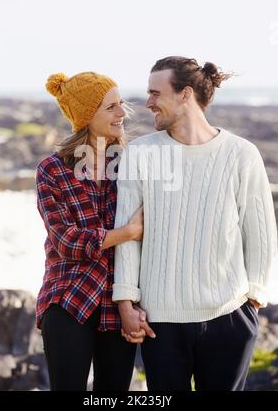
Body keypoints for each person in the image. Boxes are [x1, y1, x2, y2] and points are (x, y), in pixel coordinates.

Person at [112, 56, 278, 391]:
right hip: (160, 322)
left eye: (156, 93)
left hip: (228, 317)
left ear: (185, 94)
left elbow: (259, 231)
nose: (148, 103)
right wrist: (125, 300)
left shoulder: (241, 154)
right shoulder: (140, 154)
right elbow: (128, 234)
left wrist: (254, 299)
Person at [35, 71, 153, 391]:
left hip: (119, 306)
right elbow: (66, 241)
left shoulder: (131, 164)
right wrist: (128, 232)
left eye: (121, 105)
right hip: (69, 298)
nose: (122, 114)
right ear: (87, 116)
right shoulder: (53, 170)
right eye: (111, 107)